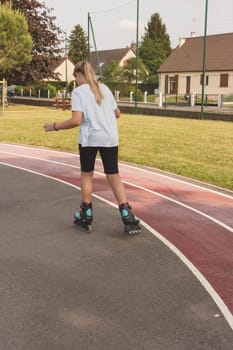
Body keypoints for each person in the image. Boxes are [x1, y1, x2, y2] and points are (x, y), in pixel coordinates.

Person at [44, 60, 141, 235]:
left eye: (76, 77)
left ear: (79, 75)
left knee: (87, 174)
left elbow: (76, 121)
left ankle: (86, 212)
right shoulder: (105, 89)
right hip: (110, 137)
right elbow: (117, 113)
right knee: (113, 174)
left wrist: (55, 126)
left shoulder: (79, 92)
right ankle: (126, 212)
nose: (77, 81)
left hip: (90, 138)